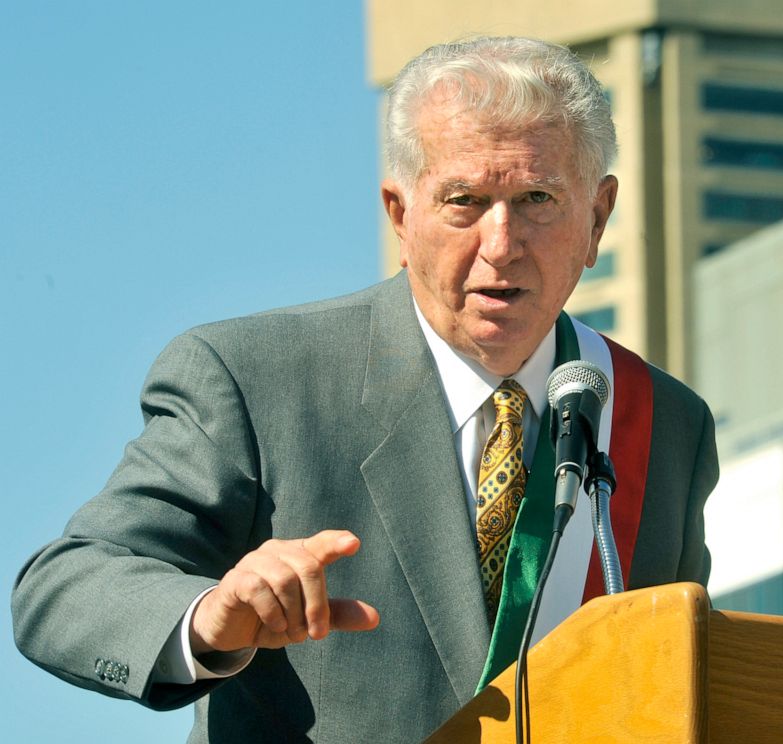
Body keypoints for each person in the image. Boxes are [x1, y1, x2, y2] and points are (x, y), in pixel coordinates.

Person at [12, 36, 717, 743]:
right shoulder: (255, 378)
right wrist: (209, 616)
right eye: (464, 201)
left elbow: (690, 677)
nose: (502, 245)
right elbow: (63, 589)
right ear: (400, 215)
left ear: (597, 218)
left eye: (537, 198)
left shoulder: (667, 425)